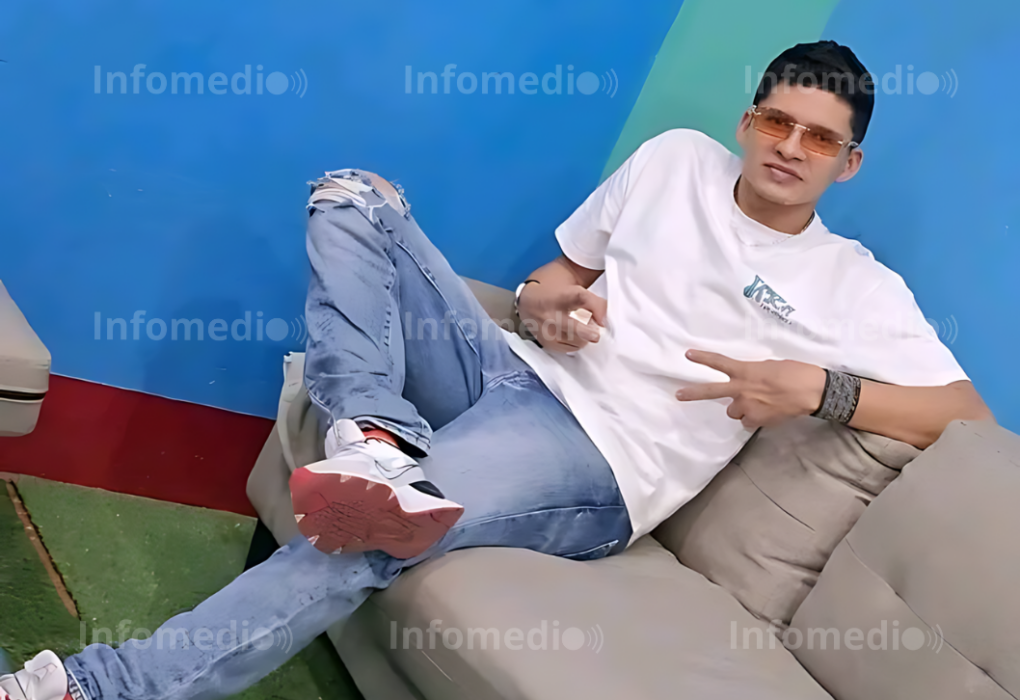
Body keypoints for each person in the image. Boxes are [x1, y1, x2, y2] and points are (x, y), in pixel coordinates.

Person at [1, 40, 993, 700]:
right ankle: (374, 432)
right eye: (777, 121)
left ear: (847, 164)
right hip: (510, 368)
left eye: (819, 139)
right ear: (748, 121)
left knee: (368, 528)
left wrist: (818, 390)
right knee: (354, 196)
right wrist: (547, 304)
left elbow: (965, 412)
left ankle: (98, 687)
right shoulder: (674, 160)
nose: (790, 147)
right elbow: (558, 277)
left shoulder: (851, 282)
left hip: (598, 459)